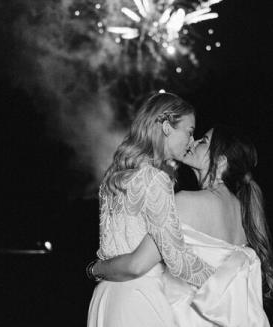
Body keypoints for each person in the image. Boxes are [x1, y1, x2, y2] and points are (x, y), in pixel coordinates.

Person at [91, 125, 273, 326]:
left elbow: (137, 265)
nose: (193, 142)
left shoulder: (185, 202)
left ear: (221, 161)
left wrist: (96, 268)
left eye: (203, 141)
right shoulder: (243, 214)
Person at [86, 92, 216, 327]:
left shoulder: (115, 176)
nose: (191, 141)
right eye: (189, 131)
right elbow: (176, 258)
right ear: (166, 127)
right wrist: (227, 280)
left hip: (106, 297)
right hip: (138, 298)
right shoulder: (155, 179)